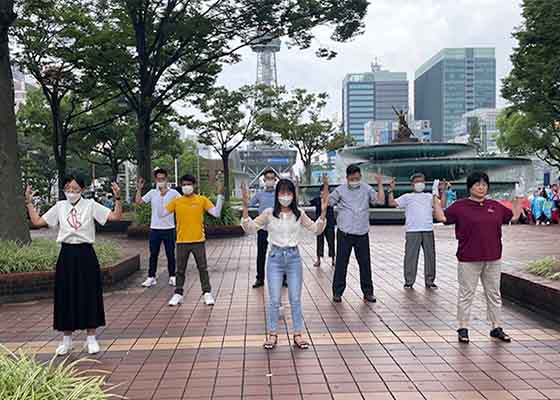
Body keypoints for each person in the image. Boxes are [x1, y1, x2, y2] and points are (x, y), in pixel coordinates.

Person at [25, 175, 123, 355]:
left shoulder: (90, 205)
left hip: (86, 253)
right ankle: (66, 340)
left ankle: (91, 338)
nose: (71, 192)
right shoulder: (60, 206)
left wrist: (117, 197)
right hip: (67, 254)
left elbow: (116, 216)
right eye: (68, 188)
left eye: (75, 189)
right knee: (65, 294)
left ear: (83, 190)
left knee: (89, 293)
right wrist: (29, 203)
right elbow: (38, 222)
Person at [432, 171, 522, 343]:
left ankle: (496, 327)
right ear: (470, 187)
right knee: (467, 294)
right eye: (477, 184)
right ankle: (463, 328)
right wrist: (435, 197)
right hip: (469, 258)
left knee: (494, 294)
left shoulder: (494, 206)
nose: (481, 187)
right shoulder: (460, 206)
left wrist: (519, 197)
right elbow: (441, 217)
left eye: (484, 184)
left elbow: (515, 216)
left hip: (493, 257)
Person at [241, 178, 328, 350]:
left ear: (293, 195)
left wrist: (323, 212)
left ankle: (297, 334)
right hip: (275, 258)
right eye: (282, 193)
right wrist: (245, 208)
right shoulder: (268, 213)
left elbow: (316, 229)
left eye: (289, 193)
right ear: (277, 195)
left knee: (295, 299)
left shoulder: (299, 214)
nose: (285, 196)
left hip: (294, 258)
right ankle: (272, 335)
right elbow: (250, 228)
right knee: (274, 300)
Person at [161, 174, 224, 306]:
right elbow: (161, 214)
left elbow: (216, 213)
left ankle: (207, 293)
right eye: (183, 185)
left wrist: (219, 195)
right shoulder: (177, 201)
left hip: (198, 240)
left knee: (202, 268)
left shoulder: (201, 200)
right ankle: (178, 293)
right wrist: (163, 194)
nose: (186, 187)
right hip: (181, 241)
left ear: (194, 185)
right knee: (180, 270)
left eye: (189, 184)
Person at [329, 164, 385, 303]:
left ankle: (368, 292)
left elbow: (380, 201)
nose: (355, 180)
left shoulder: (366, 189)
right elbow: (328, 202)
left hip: (362, 232)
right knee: (341, 263)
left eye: (357, 178)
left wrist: (380, 184)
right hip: (345, 233)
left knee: (365, 264)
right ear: (347, 178)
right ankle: (337, 292)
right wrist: (325, 187)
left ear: (360, 176)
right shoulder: (340, 190)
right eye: (352, 178)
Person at [387, 173, 437, 289]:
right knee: (410, 256)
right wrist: (390, 191)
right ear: (412, 184)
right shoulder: (407, 197)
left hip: (428, 229)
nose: (420, 184)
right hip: (412, 230)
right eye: (417, 182)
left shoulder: (429, 196)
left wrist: (443, 191)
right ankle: (409, 281)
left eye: (422, 181)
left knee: (430, 256)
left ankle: (430, 281)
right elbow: (392, 203)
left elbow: (442, 205)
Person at [135, 169, 181, 287]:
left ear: (167, 179)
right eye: (158, 179)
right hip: (155, 228)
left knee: (170, 253)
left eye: (163, 179)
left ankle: (172, 276)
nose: (160, 181)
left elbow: (182, 203)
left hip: (169, 228)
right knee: (153, 254)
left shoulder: (173, 193)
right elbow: (139, 202)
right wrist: (139, 189)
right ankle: (151, 277)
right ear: (155, 180)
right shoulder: (152, 193)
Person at [249, 168, 287, 289]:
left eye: (272, 178)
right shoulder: (259, 194)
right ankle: (260, 279)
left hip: (277, 228)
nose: (269, 181)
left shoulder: (279, 194)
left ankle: (283, 279)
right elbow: (249, 204)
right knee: (261, 254)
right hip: (263, 229)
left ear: (275, 180)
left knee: (280, 254)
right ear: (264, 180)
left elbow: (289, 204)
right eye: (267, 178)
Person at [310, 179, 336, 267]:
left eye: (326, 192)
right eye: (322, 191)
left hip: (329, 224)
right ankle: (318, 259)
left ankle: (333, 259)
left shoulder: (331, 201)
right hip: (319, 225)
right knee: (319, 241)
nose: (324, 193)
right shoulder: (317, 200)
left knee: (331, 241)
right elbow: (307, 202)